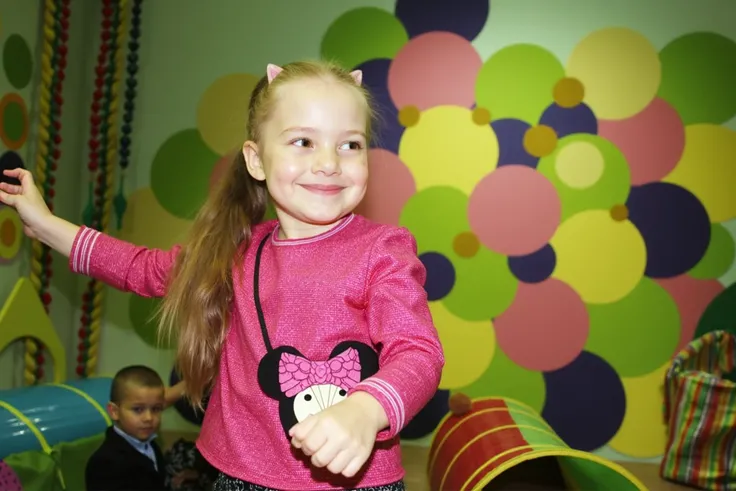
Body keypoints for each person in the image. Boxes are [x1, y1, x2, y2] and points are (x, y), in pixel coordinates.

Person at [0, 60, 445, 491]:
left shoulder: (382, 250)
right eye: (303, 142)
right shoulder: (235, 252)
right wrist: (44, 224)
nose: (329, 162)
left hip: (357, 482)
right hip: (241, 476)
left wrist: (367, 409)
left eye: (350, 144)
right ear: (255, 160)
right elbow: (142, 268)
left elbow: (419, 352)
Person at [84, 365, 168, 491]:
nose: (149, 418)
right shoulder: (104, 463)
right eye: (138, 409)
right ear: (114, 411)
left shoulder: (152, 445)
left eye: (156, 409)